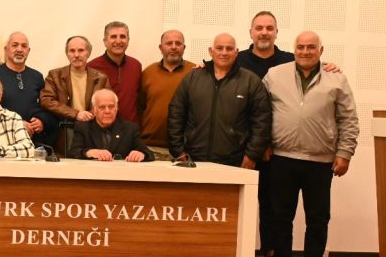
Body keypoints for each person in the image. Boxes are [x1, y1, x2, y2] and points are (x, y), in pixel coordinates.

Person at [263, 31, 359, 257]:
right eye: (301, 47)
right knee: (280, 215)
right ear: (294, 49)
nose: (305, 52)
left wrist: (345, 153)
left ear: (320, 50)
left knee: (318, 218)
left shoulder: (336, 79)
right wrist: (262, 144)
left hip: (320, 161)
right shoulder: (275, 75)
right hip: (282, 158)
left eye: (311, 47)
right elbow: (260, 112)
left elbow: (348, 119)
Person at [167, 33, 270, 168]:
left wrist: (252, 155)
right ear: (211, 51)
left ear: (236, 52)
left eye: (229, 48)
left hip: (235, 162)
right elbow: (176, 114)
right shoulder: (192, 78)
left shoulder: (251, 81)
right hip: (193, 159)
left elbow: (262, 122)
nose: (224, 53)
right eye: (219, 48)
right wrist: (178, 151)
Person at [0, 32, 57, 150]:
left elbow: (46, 106)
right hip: (2, 141)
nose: (19, 49)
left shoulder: (37, 77)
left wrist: (42, 121)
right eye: (15, 45)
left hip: (33, 143)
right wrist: (17, 125)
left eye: (24, 46)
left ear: (28, 51)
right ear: (6, 49)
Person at [138, 30, 195, 160]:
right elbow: (140, 107)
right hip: (151, 147)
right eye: (169, 43)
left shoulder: (194, 72)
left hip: (184, 149)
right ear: (160, 47)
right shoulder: (148, 72)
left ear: (184, 47)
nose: (174, 47)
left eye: (178, 43)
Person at [68, 89, 153, 162]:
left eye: (111, 106)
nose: (107, 111)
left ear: (117, 108)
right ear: (94, 110)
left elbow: (148, 153)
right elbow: (73, 152)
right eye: (102, 107)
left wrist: (142, 154)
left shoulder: (130, 128)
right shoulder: (83, 127)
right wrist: (89, 153)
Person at [40, 35, 108, 125]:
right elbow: (46, 100)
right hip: (64, 128)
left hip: (92, 127)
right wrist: (75, 114)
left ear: (88, 53)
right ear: (67, 54)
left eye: (81, 50)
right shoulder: (54, 75)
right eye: (72, 51)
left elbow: (108, 102)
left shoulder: (101, 78)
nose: (76, 55)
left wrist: (90, 115)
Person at [87, 21, 142, 123]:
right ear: (105, 41)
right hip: (102, 128)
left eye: (123, 37)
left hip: (131, 127)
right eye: (113, 37)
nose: (118, 41)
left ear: (128, 40)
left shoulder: (136, 65)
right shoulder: (91, 67)